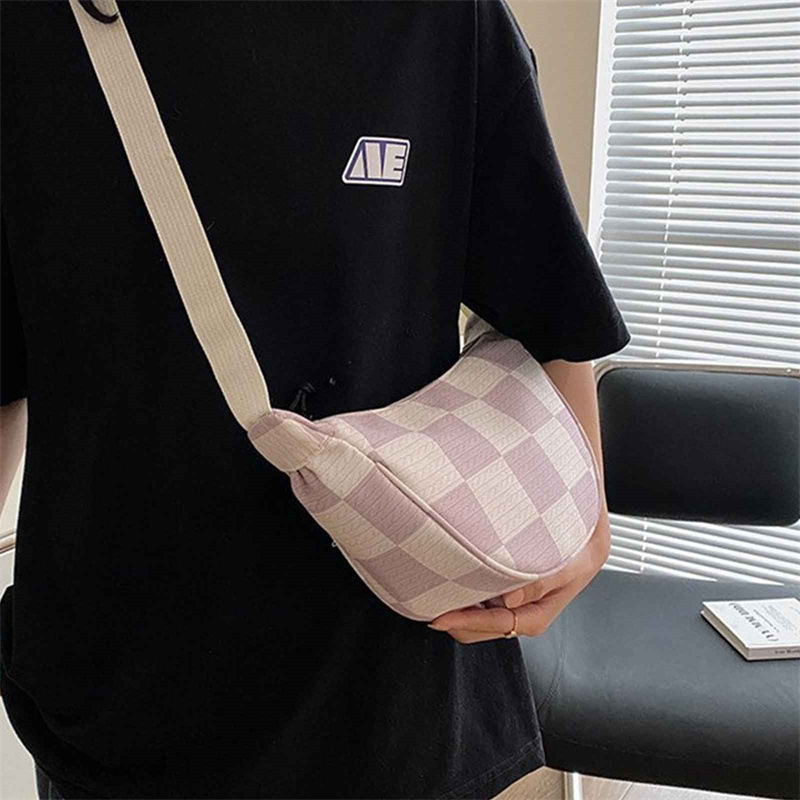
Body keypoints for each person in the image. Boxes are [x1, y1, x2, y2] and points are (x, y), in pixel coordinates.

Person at [0, 1, 631, 798]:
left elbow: (550, 312)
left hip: (387, 691)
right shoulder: (25, 32)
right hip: (115, 700)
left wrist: (581, 526)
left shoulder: (442, 22)